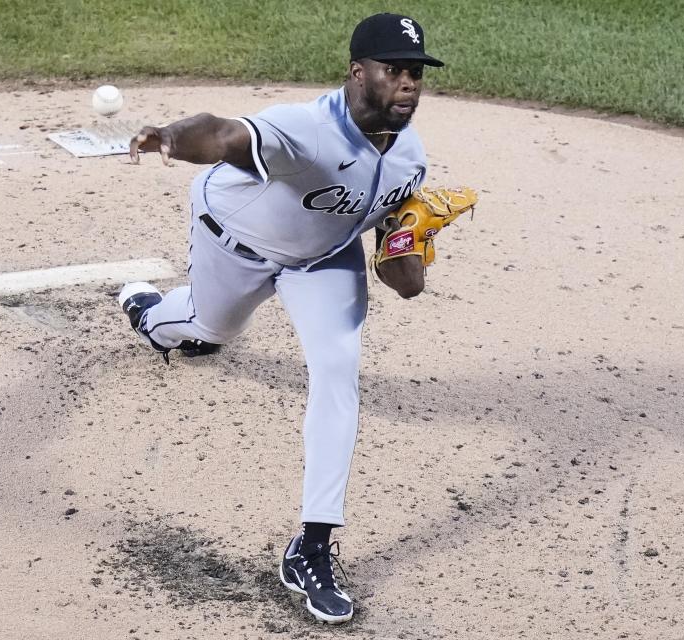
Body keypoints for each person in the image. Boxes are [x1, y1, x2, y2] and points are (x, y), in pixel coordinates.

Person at [119, 12, 444, 624]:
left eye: (416, 74)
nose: (407, 84)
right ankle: (150, 313)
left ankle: (311, 547)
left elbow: (405, 286)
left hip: (322, 260)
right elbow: (222, 135)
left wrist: (409, 242)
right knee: (207, 326)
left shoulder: (411, 160)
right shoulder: (305, 128)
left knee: (339, 370)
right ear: (358, 72)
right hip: (233, 240)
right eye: (394, 70)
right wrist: (169, 135)